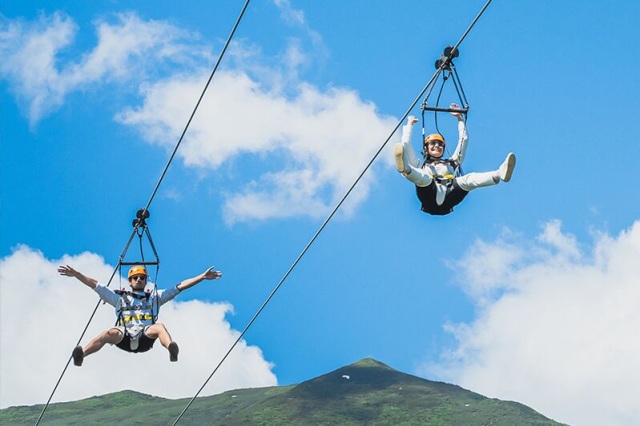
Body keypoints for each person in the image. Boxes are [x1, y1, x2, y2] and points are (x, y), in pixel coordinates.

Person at [58, 264, 222, 366]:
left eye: (142, 278)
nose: (138, 280)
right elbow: (95, 285)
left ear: (145, 281)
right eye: (135, 278)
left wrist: (202, 277)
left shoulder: (155, 297)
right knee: (110, 332)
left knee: (159, 327)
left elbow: (179, 287)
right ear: (130, 281)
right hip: (125, 337)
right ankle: (82, 354)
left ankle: (171, 349)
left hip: (145, 337)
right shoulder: (119, 298)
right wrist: (77, 274)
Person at [394, 104, 516, 215]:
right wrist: (409, 125)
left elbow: (464, 140)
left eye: (440, 144)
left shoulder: (452, 163)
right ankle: (406, 169)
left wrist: (459, 118)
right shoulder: (420, 164)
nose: (437, 146)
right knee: (423, 177)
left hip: (449, 196)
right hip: (429, 197)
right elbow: (405, 144)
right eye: (433, 143)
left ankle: (499, 174)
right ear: (426, 148)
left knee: (468, 179)